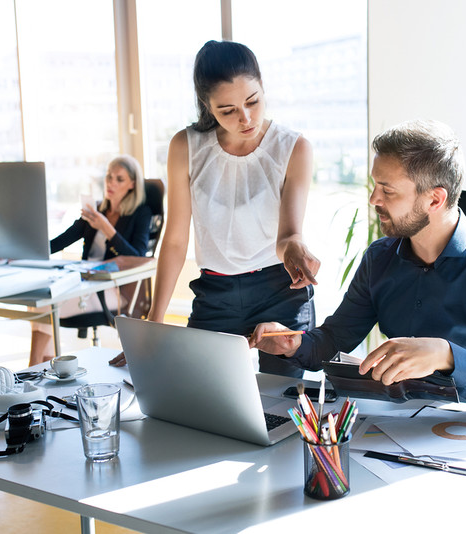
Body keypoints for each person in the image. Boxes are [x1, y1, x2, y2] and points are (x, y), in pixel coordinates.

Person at [249, 120, 466, 419]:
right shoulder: (380, 259)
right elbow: (335, 339)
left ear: (435, 199)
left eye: (388, 190)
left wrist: (446, 355)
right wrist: (295, 344)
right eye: (376, 185)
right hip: (394, 422)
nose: (374, 199)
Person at [109, 40, 320, 377]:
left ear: (263, 85)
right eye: (228, 110)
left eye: (253, 101)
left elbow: (288, 235)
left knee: (283, 405)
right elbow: (176, 240)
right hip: (215, 293)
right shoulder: (187, 146)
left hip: (280, 290)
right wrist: (154, 321)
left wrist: (296, 249)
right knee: (200, 395)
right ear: (207, 105)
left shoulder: (293, 147)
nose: (246, 117)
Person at [29, 155, 151, 366]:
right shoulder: (97, 210)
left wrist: (106, 228)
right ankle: (42, 365)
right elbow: (60, 241)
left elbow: (137, 256)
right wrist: (25, 251)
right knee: (40, 299)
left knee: (46, 304)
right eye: (109, 177)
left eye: (119, 179)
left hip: (114, 288)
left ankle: (34, 365)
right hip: (85, 281)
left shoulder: (141, 214)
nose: (111, 183)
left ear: (132, 184)